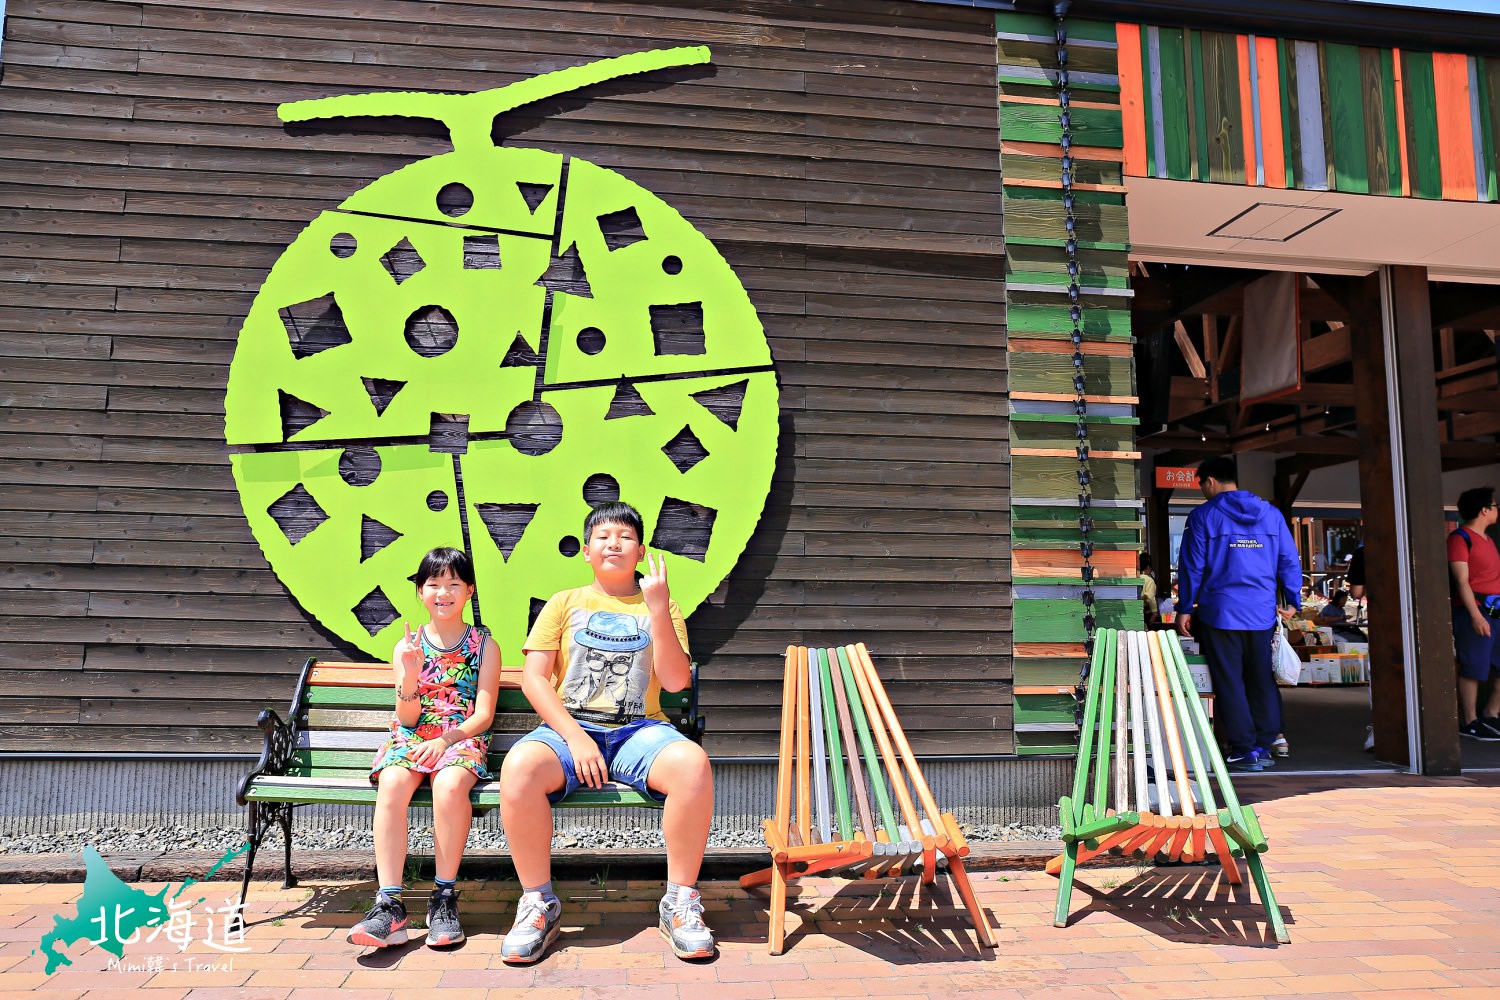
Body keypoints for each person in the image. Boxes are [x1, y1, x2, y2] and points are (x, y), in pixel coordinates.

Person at [498, 501, 715, 964]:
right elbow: (534, 679)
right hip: (569, 730)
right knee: (519, 767)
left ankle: (680, 902)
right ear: (586, 550)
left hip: (640, 731)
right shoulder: (564, 603)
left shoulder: (664, 606)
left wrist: (658, 609)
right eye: (602, 536)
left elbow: (676, 681)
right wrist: (575, 737)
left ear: (641, 551)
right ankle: (538, 903)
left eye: (625, 536)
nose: (613, 543)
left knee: (692, 763)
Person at [347, 547, 502, 948]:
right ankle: (389, 904)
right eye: (433, 584)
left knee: (448, 786)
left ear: (469, 590)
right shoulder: (407, 646)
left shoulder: (485, 646)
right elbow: (408, 717)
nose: (443, 593)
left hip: (460, 736)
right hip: (414, 736)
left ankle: (443, 897)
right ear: (420, 591)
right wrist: (410, 674)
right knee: (393, 783)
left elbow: (484, 715)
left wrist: (445, 741)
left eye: (453, 584)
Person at [1177, 456, 1301, 772]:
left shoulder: (1204, 516)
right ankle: (1264, 745)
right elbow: (1289, 559)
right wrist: (1293, 599)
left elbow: (1192, 566)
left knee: (1229, 681)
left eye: (1201, 485)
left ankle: (1244, 750)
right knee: (1261, 679)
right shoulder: (1271, 515)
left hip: (1220, 613)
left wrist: (1185, 607)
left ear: (1210, 481)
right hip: (1261, 612)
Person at [1447, 487, 1500, 741]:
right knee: (1473, 665)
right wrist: (1475, 616)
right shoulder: (1460, 538)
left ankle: (1492, 713)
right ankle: (1469, 721)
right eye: (1495, 505)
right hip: (1474, 610)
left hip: (1495, 609)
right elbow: (1462, 581)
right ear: (1484, 510)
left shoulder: (1488, 540)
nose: (1497, 509)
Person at [1140, 552, 1159, 627]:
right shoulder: (1149, 580)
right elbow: (1150, 597)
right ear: (1148, 567)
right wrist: (1154, 612)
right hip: (1145, 611)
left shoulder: (1134, 578)